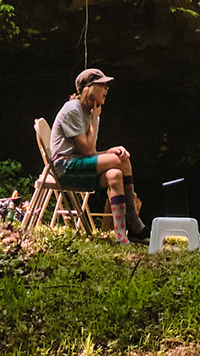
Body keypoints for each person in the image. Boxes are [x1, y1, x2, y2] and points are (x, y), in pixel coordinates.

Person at [50, 66, 146, 244]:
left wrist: (108, 151)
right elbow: (87, 151)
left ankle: (121, 236)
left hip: (79, 166)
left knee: (115, 174)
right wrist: (94, 120)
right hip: (64, 168)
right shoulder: (73, 109)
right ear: (88, 88)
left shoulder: (91, 113)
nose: (106, 89)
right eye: (102, 85)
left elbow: (91, 152)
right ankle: (134, 222)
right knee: (123, 161)